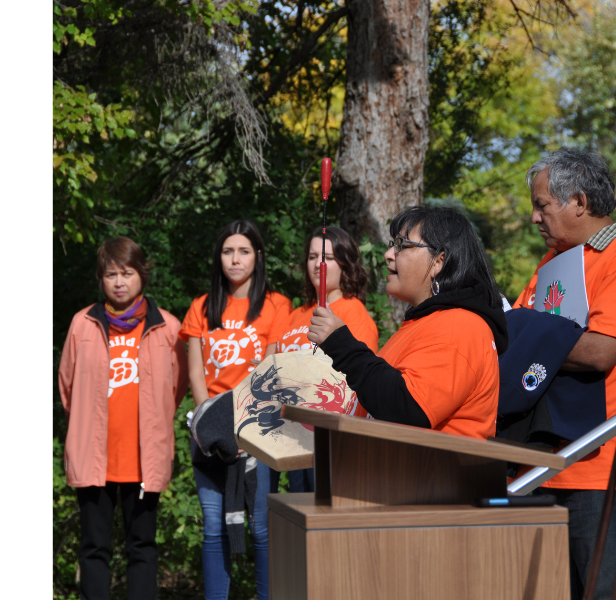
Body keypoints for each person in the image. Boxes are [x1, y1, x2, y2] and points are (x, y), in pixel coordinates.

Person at [511, 148, 616, 600]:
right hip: (543, 461)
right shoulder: (553, 264)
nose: (535, 218)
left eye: (543, 206)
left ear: (578, 202)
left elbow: (602, 351)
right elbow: (518, 329)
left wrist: (528, 337)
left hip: (601, 465)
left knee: (612, 591)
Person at [58, 236, 188, 600]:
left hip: (143, 460)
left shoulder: (168, 328)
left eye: (127, 273)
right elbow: (67, 386)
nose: (119, 282)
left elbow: (174, 390)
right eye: (111, 274)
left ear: (142, 276)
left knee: (142, 547)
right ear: (101, 279)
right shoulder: (82, 325)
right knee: (94, 548)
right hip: (94, 456)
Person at [307, 206, 508, 437]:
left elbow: (407, 408)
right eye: (392, 244)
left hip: (431, 471)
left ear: (439, 261)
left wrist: (342, 345)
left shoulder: (460, 325)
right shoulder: (427, 323)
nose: (389, 254)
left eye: (402, 245)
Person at [179, 220, 291, 600]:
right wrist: (213, 427)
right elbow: (196, 372)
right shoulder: (201, 307)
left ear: (257, 257)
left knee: (261, 528)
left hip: (257, 433)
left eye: (243, 251)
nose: (235, 259)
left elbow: (271, 371)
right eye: (228, 251)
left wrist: (244, 430)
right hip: (209, 434)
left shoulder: (276, 306)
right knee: (213, 527)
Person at [269, 226, 379, 492]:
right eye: (312, 256)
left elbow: (356, 381)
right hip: (293, 433)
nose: (319, 264)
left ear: (345, 264)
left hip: (331, 438)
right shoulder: (296, 315)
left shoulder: (353, 312)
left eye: (328, 257)